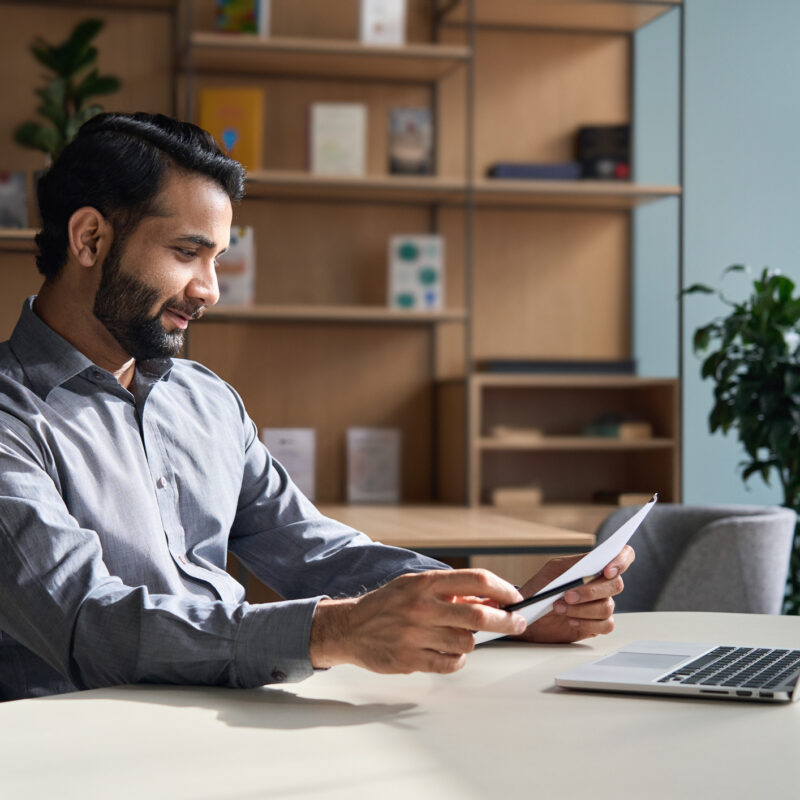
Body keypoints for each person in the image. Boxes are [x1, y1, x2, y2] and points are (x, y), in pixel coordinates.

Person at [0, 112, 634, 701]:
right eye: (186, 253)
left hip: (229, 725)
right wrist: (335, 631)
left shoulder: (205, 400)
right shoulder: (13, 416)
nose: (210, 290)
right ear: (89, 239)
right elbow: (88, 623)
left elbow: (313, 550)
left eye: (217, 259)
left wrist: (499, 609)